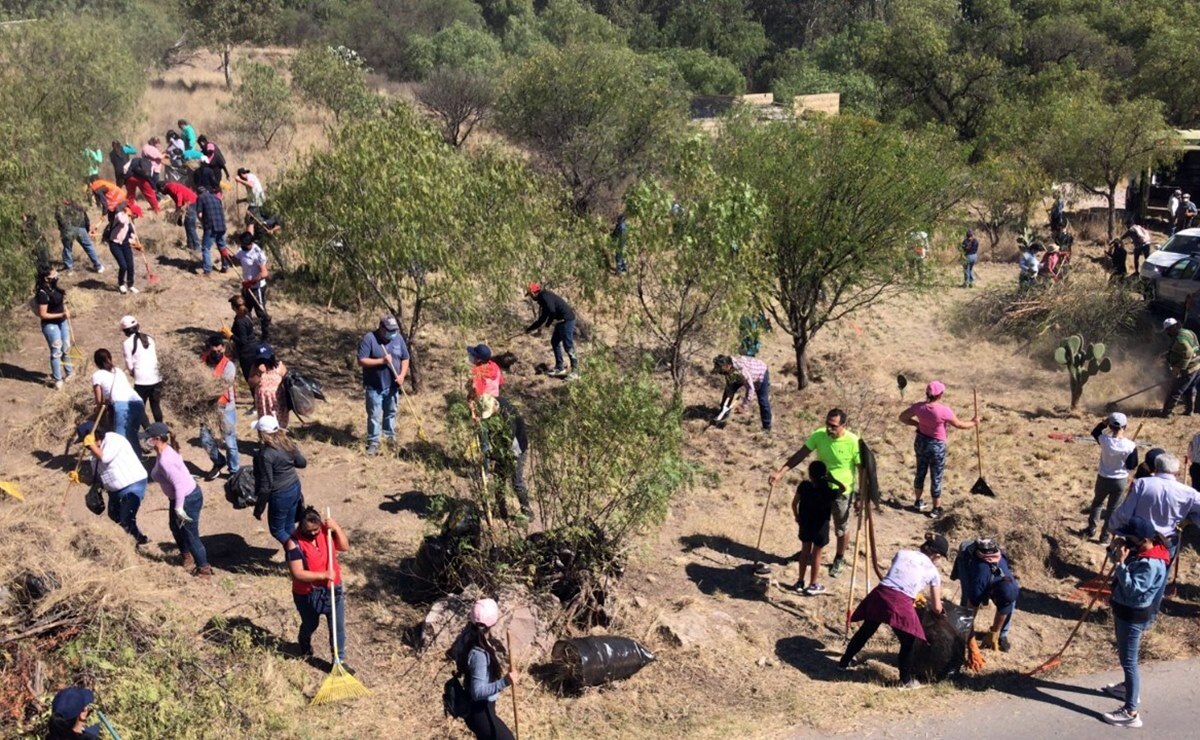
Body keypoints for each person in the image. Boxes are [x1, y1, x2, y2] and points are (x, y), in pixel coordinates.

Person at [838, 534, 948, 689]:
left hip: (881, 593)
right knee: (909, 641)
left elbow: (900, 575)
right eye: (940, 557)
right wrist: (942, 611)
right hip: (899, 601)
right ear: (937, 555)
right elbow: (936, 607)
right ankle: (906, 680)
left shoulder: (902, 553)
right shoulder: (933, 572)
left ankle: (844, 662)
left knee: (867, 629)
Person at [769, 409, 861, 577]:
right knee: (815, 523)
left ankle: (839, 558)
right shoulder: (819, 435)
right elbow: (801, 454)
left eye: (833, 426)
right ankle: (808, 553)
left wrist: (861, 496)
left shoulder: (853, 441)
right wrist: (780, 473)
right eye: (827, 424)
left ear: (844, 425)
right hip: (820, 489)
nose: (829, 429)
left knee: (841, 527)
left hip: (842, 491)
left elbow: (862, 469)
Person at [1098, 516, 1171, 728]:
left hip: (1132, 615)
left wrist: (1120, 563)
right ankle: (1126, 688)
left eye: (1129, 537)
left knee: (1129, 662)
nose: (1126, 540)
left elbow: (1132, 589)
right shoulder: (1144, 552)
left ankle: (1130, 711)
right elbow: (1123, 570)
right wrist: (1114, 552)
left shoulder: (1151, 563)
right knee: (1125, 659)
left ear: (1142, 539)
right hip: (1124, 611)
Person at [898, 381, 980, 519]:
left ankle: (918, 502)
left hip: (921, 442)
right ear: (940, 395)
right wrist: (974, 422)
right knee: (936, 476)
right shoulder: (943, 410)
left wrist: (917, 424)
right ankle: (936, 508)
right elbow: (960, 425)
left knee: (920, 472)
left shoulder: (919, 407)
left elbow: (902, 417)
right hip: (936, 446)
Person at [145, 422, 211, 579]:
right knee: (175, 527)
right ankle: (186, 556)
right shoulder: (163, 451)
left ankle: (204, 569)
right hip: (179, 498)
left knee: (191, 535)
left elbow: (179, 485)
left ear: (156, 439)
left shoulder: (165, 461)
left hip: (186, 498)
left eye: (148, 438)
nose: (145, 441)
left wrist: (179, 508)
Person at [286, 507, 351, 666]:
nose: (314, 533)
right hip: (306, 594)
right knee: (310, 624)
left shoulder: (326, 531)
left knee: (337, 627)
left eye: (316, 529)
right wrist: (323, 575)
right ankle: (304, 641)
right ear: (301, 526)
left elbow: (344, 547)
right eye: (310, 531)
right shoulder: (293, 543)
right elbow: (297, 573)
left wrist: (336, 528)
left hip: (332, 589)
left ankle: (339, 662)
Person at [449, 598, 518, 740]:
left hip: (479, 709)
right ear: (493, 622)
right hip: (479, 711)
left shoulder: (466, 636)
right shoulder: (479, 654)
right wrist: (505, 681)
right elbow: (477, 692)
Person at [81, 421, 148, 546]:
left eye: (86, 442)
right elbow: (98, 473)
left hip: (133, 484)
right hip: (115, 491)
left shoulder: (114, 440)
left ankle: (134, 542)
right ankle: (137, 537)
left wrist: (93, 446)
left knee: (126, 517)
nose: (86, 446)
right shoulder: (94, 454)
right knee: (114, 514)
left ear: (95, 436)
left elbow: (105, 457)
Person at [950, 537, 1018, 652]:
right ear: (993, 594)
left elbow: (1004, 609)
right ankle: (962, 634)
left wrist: (994, 633)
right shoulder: (980, 582)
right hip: (967, 558)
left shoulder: (1012, 586)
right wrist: (971, 640)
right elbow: (971, 610)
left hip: (992, 578)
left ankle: (1001, 635)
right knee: (968, 597)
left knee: (1010, 603)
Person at [357, 315, 410, 455]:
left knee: (391, 413)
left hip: (393, 385)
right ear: (381, 328)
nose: (392, 333)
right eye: (389, 330)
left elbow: (405, 358)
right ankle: (373, 442)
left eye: (394, 330)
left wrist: (402, 375)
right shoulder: (369, 339)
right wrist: (381, 361)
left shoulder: (398, 338)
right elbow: (361, 360)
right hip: (375, 386)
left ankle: (389, 440)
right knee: (374, 415)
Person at [790, 460, 844, 595]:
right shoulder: (828, 490)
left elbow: (794, 503)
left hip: (805, 523)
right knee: (816, 554)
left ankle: (800, 581)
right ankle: (813, 584)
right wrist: (834, 480)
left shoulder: (804, 486)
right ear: (824, 474)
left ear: (810, 473)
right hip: (821, 525)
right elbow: (843, 489)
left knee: (804, 551)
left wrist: (797, 516)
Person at [252, 415, 307, 546]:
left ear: (262, 433)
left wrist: (259, 508)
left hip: (280, 495)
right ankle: (298, 556)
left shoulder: (266, 454)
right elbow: (301, 463)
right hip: (295, 487)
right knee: (289, 526)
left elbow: (266, 485)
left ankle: (297, 554)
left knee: (278, 530)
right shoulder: (287, 443)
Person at [1085, 412, 1138, 544]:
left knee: (1097, 503)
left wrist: (1104, 423)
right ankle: (1104, 537)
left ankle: (1091, 529)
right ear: (1124, 426)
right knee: (1113, 509)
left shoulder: (1104, 440)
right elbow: (1132, 465)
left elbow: (1095, 432)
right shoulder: (1130, 446)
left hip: (1103, 477)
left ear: (1110, 426)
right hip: (1120, 480)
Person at [476, 394, 531, 519]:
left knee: (516, 482)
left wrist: (493, 456)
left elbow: (507, 442)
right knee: (499, 480)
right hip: (501, 448)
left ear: (495, 405)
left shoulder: (508, 416)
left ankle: (527, 511)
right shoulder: (493, 404)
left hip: (516, 449)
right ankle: (501, 511)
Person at [199, 334, 240, 481]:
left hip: (225, 407)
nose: (216, 352)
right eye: (213, 350)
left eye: (219, 349)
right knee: (205, 439)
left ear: (223, 348)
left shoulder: (228, 366)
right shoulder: (202, 362)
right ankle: (218, 461)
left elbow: (222, 386)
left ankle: (234, 472)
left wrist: (204, 391)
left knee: (229, 442)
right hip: (207, 408)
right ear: (208, 349)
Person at [91, 348, 145, 453]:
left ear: (96, 363)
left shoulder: (97, 375)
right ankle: (138, 462)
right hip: (138, 403)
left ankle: (121, 466)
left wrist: (97, 412)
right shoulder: (118, 371)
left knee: (119, 441)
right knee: (132, 436)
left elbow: (99, 400)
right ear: (110, 358)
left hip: (122, 406)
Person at [524, 283, 578, 379]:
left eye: (530, 294)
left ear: (533, 293)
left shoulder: (545, 297)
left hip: (567, 320)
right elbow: (542, 318)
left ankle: (575, 372)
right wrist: (530, 329)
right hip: (561, 321)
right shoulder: (543, 299)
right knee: (555, 341)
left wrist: (548, 324)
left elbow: (552, 311)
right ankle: (559, 367)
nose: (530, 297)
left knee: (568, 345)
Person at [34, 267, 73, 389]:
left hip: (62, 322)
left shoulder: (55, 287)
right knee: (56, 351)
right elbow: (43, 314)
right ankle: (58, 379)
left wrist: (65, 309)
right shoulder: (42, 294)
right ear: (46, 278)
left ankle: (70, 373)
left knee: (66, 348)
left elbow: (62, 302)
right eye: (54, 274)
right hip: (50, 325)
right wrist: (61, 314)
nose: (56, 275)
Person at [120, 316, 163, 424]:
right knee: (155, 405)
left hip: (141, 380)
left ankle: (147, 430)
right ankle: (160, 430)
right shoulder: (150, 338)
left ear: (125, 331)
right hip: (156, 377)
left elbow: (129, 364)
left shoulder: (127, 343)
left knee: (140, 407)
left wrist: (132, 373)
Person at [712, 354, 771, 432]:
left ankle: (767, 427)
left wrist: (744, 406)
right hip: (739, 376)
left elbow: (750, 389)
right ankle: (722, 415)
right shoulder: (728, 368)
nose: (720, 372)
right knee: (728, 392)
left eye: (721, 369)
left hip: (760, 372)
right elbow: (729, 382)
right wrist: (730, 392)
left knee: (763, 400)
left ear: (728, 366)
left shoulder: (742, 371)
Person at [234, 231, 271, 341]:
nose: (242, 247)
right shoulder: (242, 250)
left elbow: (264, 273)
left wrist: (252, 282)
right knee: (243, 310)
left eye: (244, 245)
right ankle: (244, 333)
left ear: (250, 243)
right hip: (246, 287)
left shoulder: (258, 253)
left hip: (257, 288)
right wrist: (226, 255)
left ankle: (265, 337)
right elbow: (236, 260)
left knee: (261, 313)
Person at [1161, 318, 1200, 417]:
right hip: (1197, 365)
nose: (1167, 332)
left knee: (1176, 391)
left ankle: (1166, 413)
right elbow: (1194, 347)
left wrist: (1180, 370)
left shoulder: (1179, 339)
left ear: (1172, 328)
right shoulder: (1188, 332)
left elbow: (1188, 352)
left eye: (1167, 330)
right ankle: (1189, 411)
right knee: (1190, 388)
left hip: (1189, 369)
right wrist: (1168, 354)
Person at [55, 199, 103, 274]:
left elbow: (59, 220)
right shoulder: (77, 204)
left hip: (67, 229)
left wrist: (62, 230)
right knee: (88, 246)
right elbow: (86, 218)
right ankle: (98, 266)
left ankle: (69, 268)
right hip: (80, 228)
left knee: (67, 248)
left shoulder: (60, 207)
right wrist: (87, 229)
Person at [250, 344, 290, 430]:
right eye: (261, 359)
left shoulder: (279, 366)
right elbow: (251, 383)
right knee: (265, 424)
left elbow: (287, 381)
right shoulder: (255, 367)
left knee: (278, 423)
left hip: (277, 400)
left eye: (266, 358)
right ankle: (266, 441)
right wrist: (259, 373)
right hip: (263, 402)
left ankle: (280, 439)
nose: (264, 361)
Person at [103, 202, 138, 294]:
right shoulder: (120, 215)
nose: (136, 217)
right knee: (123, 266)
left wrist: (134, 243)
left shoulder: (131, 223)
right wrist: (127, 212)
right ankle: (121, 284)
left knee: (130, 265)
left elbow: (132, 236)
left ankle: (130, 285)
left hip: (125, 245)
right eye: (136, 215)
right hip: (115, 244)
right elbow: (122, 221)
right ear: (131, 212)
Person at [195, 185, 230, 275]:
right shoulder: (216, 198)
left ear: (198, 193)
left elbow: (200, 215)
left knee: (206, 248)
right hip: (222, 225)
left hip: (211, 226)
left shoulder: (200, 198)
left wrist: (202, 223)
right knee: (222, 247)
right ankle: (225, 267)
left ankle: (207, 270)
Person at [158, 180, 199, 252]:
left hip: (192, 202)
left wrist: (179, 207)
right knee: (187, 224)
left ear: (162, 188)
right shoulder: (169, 188)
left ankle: (196, 247)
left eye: (160, 191)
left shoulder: (170, 187)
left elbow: (179, 195)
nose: (161, 193)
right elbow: (177, 200)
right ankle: (190, 245)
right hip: (190, 202)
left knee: (190, 225)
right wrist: (179, 217)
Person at [227, 294, 260, 381]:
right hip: (253, 347)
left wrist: (230, 335)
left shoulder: (240, 321)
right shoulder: (247, 313)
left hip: (247, 353)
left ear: (234, 307)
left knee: (250, 377)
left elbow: (243, 341)